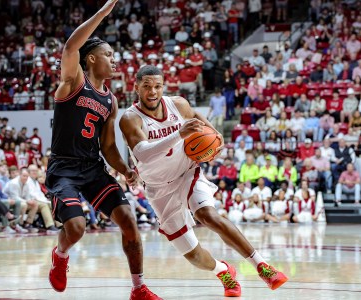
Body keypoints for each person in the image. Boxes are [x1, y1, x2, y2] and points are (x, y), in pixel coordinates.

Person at [120, 65, 287, 298]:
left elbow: (196, 117)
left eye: (157, 86)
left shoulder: (177, 104)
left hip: (188, 171)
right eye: (146, 86)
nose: (152, 92)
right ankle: (223, 270)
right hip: (159, 189)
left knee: (208, 215)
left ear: (163, 87)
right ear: (136, 87)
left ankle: (262, 266)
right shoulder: (130, 118)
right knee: (193, 255)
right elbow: (144, 153)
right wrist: (179, 134)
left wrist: (215, 134)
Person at [45, 1, 161, 299]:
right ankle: (60, 254)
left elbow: (108, 146)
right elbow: (71, 47)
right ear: (92, 59)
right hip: (64, 168)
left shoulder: (111, 100)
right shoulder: (73, 81)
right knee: (77, 227)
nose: (114, 60)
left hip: (93, 168)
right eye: (109, 55)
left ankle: (138, 287)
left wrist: (125, 169)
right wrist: (103, 13)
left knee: (129, 221)